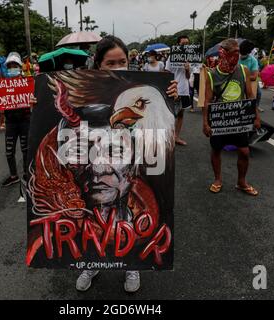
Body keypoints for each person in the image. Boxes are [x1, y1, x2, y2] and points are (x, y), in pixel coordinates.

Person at [75, 35, 179, 293]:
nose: (118, 67)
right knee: (97, 216)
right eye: (111, 63)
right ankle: (91, 262)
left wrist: (172, 99)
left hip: (133, 176)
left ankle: (132, 264)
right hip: (97, 173)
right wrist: (38, 105)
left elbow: (164, 131)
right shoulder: (92, 94)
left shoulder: (144, 89)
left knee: (130, 216)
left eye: (122, 61)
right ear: (98, 64)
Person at [202, 38, 261, 196]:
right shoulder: (212, 75)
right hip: (219, 120)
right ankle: (217, 179)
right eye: (233, 53)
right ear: (224, 54)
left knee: (244, 151)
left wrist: (256, 116)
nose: (236, 57)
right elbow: (207, 100)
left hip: (238, 119)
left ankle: (241, 182)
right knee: (216, 150)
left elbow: (249, 95)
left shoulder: (243, 70)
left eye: (238, 53)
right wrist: (205, 123)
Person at [1, 52, 35, 187]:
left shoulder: (28, 82)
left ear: (20, 67)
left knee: (26, 149)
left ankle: (27, 174)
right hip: (10, 122)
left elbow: (35, 100)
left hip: (25, 120)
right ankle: (13, 175)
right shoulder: (2, 84)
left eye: (14, 66)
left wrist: (33, 100)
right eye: (9, 66)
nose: (12, 69)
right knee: (9, 151)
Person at [166, 35, 191, 146]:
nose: (185, 46)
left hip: (184, 89)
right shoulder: (171, 57)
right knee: (169, 114)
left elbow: (188, 76)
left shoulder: (190, 58)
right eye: (183, 44)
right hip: (173, 89)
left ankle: (176, 137)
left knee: (181, 114)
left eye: (187, 44)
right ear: (178, 45)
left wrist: (187, 69)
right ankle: (167, 136)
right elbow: (166, 73)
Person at [238, 40, 263, 112]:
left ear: (248, 53)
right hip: (238, 81)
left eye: (243, 54)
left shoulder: (253, 60)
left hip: (250, 81)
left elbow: (254, 76)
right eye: (240, 53)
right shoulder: (236, 58)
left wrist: (242, 77)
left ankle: (256, 106)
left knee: (258, 93)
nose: (241, 56)